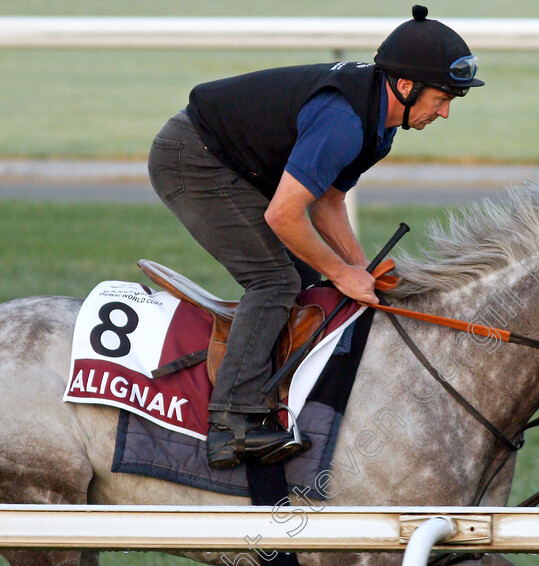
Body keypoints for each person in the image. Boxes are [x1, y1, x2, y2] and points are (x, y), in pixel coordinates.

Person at [146, 5, 483, 470]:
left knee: (314, 284)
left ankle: (287, 402)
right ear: (405, 86)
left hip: (237, 165)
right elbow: (284, 215)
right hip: (192, 159)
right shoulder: (344, 122)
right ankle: (230, 425)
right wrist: (343, 272)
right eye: (441, 98)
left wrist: (360, 269)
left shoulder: (380, 126)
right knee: (275, 281)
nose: (444, 112)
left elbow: (326, 201)